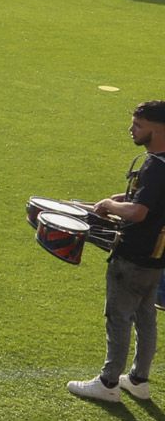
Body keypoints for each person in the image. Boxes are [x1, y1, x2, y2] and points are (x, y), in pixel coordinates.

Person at [68, 101, 165, 403]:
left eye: (138, 125)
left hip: (133, 256)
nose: (131, 130)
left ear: (157, 128)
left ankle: (108, 383)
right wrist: (119, 197)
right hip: (156, 257)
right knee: (145, 316)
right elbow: (150, 199)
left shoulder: (154, 165)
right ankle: (138, 380)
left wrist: (111, 206)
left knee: (119, 318)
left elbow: (138, 212)